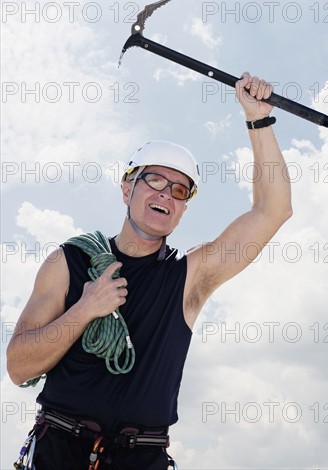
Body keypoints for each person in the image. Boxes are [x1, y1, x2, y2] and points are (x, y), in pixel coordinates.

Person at [7, 73, 292, 469]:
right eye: (154, 180)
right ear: (127, 190)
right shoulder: (68, 263)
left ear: (183, 208)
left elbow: (272, 211)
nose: (165, 195)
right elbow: (19, 367)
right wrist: (85, 309)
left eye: (179, 190)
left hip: (141, 457)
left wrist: (258, 119)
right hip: (59, 450)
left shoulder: (188, 277)